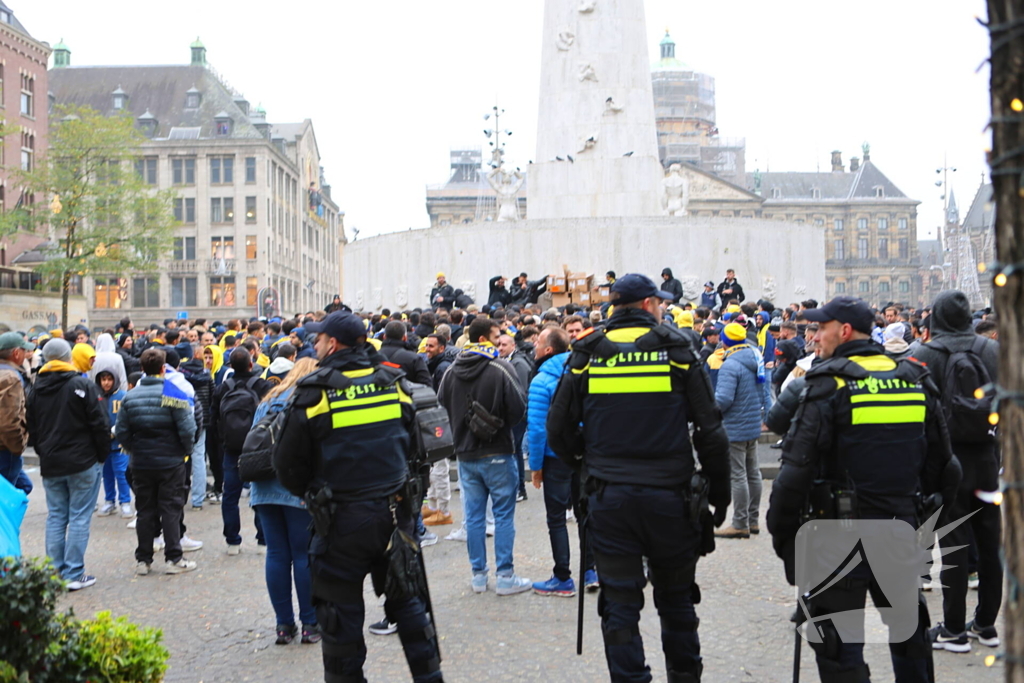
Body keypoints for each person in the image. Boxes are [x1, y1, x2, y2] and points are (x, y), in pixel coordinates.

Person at [546, 273, 732, 681]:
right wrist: (720, 493)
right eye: (660, 302)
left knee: (619, 605)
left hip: (610, 498)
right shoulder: (679, 351)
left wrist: (587, 459)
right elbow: (711, 431)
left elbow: (556, 428)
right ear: (649, 305)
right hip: (673, 498)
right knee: (677, 601)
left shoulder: (586, 354)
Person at [766, 296, 961, 681]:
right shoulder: (914, 376)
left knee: (839, 648)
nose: (814, 336)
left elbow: (793, 476)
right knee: (910, 641)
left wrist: (785, 539)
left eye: (820, 329)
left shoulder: (828, 383)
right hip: (900, 530)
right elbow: (946, 467)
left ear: (844, 331)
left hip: (838, 537)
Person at [273, 311, 444, 683]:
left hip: (340, 524)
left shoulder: (315, 392)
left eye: (318, 339)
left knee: (339, 622)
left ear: (332, 344)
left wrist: (312, 494)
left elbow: (286, 465)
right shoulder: (394, 383)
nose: (315, 344)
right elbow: (413, 446)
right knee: (409, 604)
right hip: (394, 515)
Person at [912, 291, 1003, 652]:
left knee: (954, 543)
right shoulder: (993, 350)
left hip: (945, 461)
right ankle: (986, 624)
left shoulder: (923, 354)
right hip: (988, 458)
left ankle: (952, 630)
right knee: (990, 542)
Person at [437, 317, 529, 595]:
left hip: (465, 453)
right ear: (482, 339)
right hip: (498, 449)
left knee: (474, 517)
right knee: (502, 516)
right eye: (496, 335)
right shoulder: (500, 367)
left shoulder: (452, 371)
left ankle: (478, 575)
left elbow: (442, 401)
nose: (500, 341)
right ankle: (505, 575)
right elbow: (518, 408)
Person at [26, 338, 110, 590]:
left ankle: (54, 573)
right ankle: (74, 573)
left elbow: (32, 428)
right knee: (79, 516)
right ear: (67, 357)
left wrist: (44, 452)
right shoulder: (82, 384)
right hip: (83, 461)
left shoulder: (36, 388)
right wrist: (100, 455)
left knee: (56, 517)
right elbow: (100, 423)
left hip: (52, 462)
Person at [250, 357, 322, 646]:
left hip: (264, 485)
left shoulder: (268, 400)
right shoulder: (309, 401)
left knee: (277, 555)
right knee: (303, 555)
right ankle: (309, 623)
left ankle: (283, 625)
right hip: (296, 487)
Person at [116, 348, 199, 576]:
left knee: (145, 510)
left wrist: (134, 449)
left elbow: (121, 431)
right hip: (170, 460)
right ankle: (174, 557)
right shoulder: (174, 393)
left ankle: (143, 559)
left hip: (141, 461)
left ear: (142, 369)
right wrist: (185, 451)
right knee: (171, 508)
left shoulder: (130, 396)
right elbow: (187, 428)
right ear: (163, 369)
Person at [528, 325, 597, 597]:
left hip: (554, 457)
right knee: (585, 514)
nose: (534, 345)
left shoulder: (541, 379)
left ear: (548, 349)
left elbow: (536, 429)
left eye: (538, 342)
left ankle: (563, 577)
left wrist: (536, 467)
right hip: (583, 454)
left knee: (556, 519)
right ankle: (591, 570)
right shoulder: (583, 371)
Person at [212, 348, 271, 555]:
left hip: (231, 448)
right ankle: (263, 539)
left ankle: (232, 541)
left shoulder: (222, 388)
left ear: (230, 365)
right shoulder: (263, 386)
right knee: (260, 492)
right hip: (257, 447)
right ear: (251, 364)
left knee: (230, 495)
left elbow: (214, 419)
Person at [713, 323, 768, 540]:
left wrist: (708, 409)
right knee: (753, 472)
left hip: (735, 425)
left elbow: (724, 400)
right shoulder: (754, 357)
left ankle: (739, 523)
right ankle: (753, 521)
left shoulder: (730, 365)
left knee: (738, 475)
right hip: (752, 422)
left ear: (725, 341)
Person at [497, 333, 533, 502]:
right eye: (499, 344)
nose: (500, 347)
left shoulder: (518, 363)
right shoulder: (511, 361)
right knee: (514, 450)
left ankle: (519, 488)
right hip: (515, 414)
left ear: (513, 346)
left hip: (518, 415)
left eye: (504, 344)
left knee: (514, 450)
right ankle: (517, 488)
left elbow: (520, 392)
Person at [95, 370, 132, 518]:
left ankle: (125, 502)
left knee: (121, 473)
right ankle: (109, 501)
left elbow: (126, 418)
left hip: (119, 443)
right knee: (107, 474)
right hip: (103, 444)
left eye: (109, 379)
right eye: (103, 379)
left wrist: (117, 431)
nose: (106, 383)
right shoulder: (97, 396)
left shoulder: (122, 396)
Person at [0, 332, 34, 494]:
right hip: (5, 449)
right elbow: (9, 421)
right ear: (15, 353)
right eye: (23, 350)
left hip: (6, 448)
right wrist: (17, 447)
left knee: (24, 486)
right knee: (6, 498)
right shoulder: (11, 377)